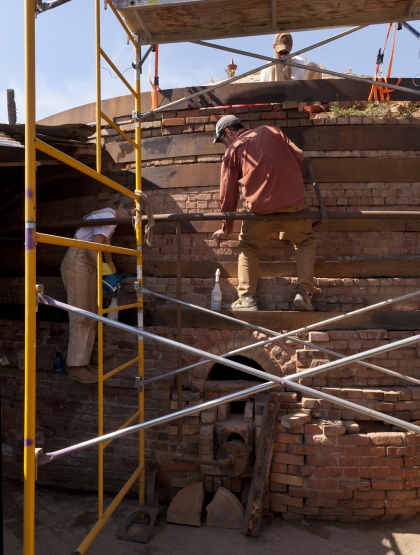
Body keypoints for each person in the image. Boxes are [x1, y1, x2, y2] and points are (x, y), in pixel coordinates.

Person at [212, 115, 316, 312]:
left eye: (223, 141)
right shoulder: (272, 130)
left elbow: (228, 194)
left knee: (248, 247)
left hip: (260, 209)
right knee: (305, 241)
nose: (225, 145)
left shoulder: (233, 150)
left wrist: (227, 228)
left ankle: (248, 299)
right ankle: (305, 293)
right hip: (293, 202)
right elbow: (299, 156)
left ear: (228, 132)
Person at [60, 194, 136, 383]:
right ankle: (76, 367)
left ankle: (82, 363)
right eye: (130, 212)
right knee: (81, 313)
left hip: (87, 263)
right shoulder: (109, 217)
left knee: (91, 313)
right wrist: (105, 273)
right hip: (79, 262)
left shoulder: (111, 219)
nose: (130, 217)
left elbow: (105, 248)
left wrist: (113, 270)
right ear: (120, 207)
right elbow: (92, 248)